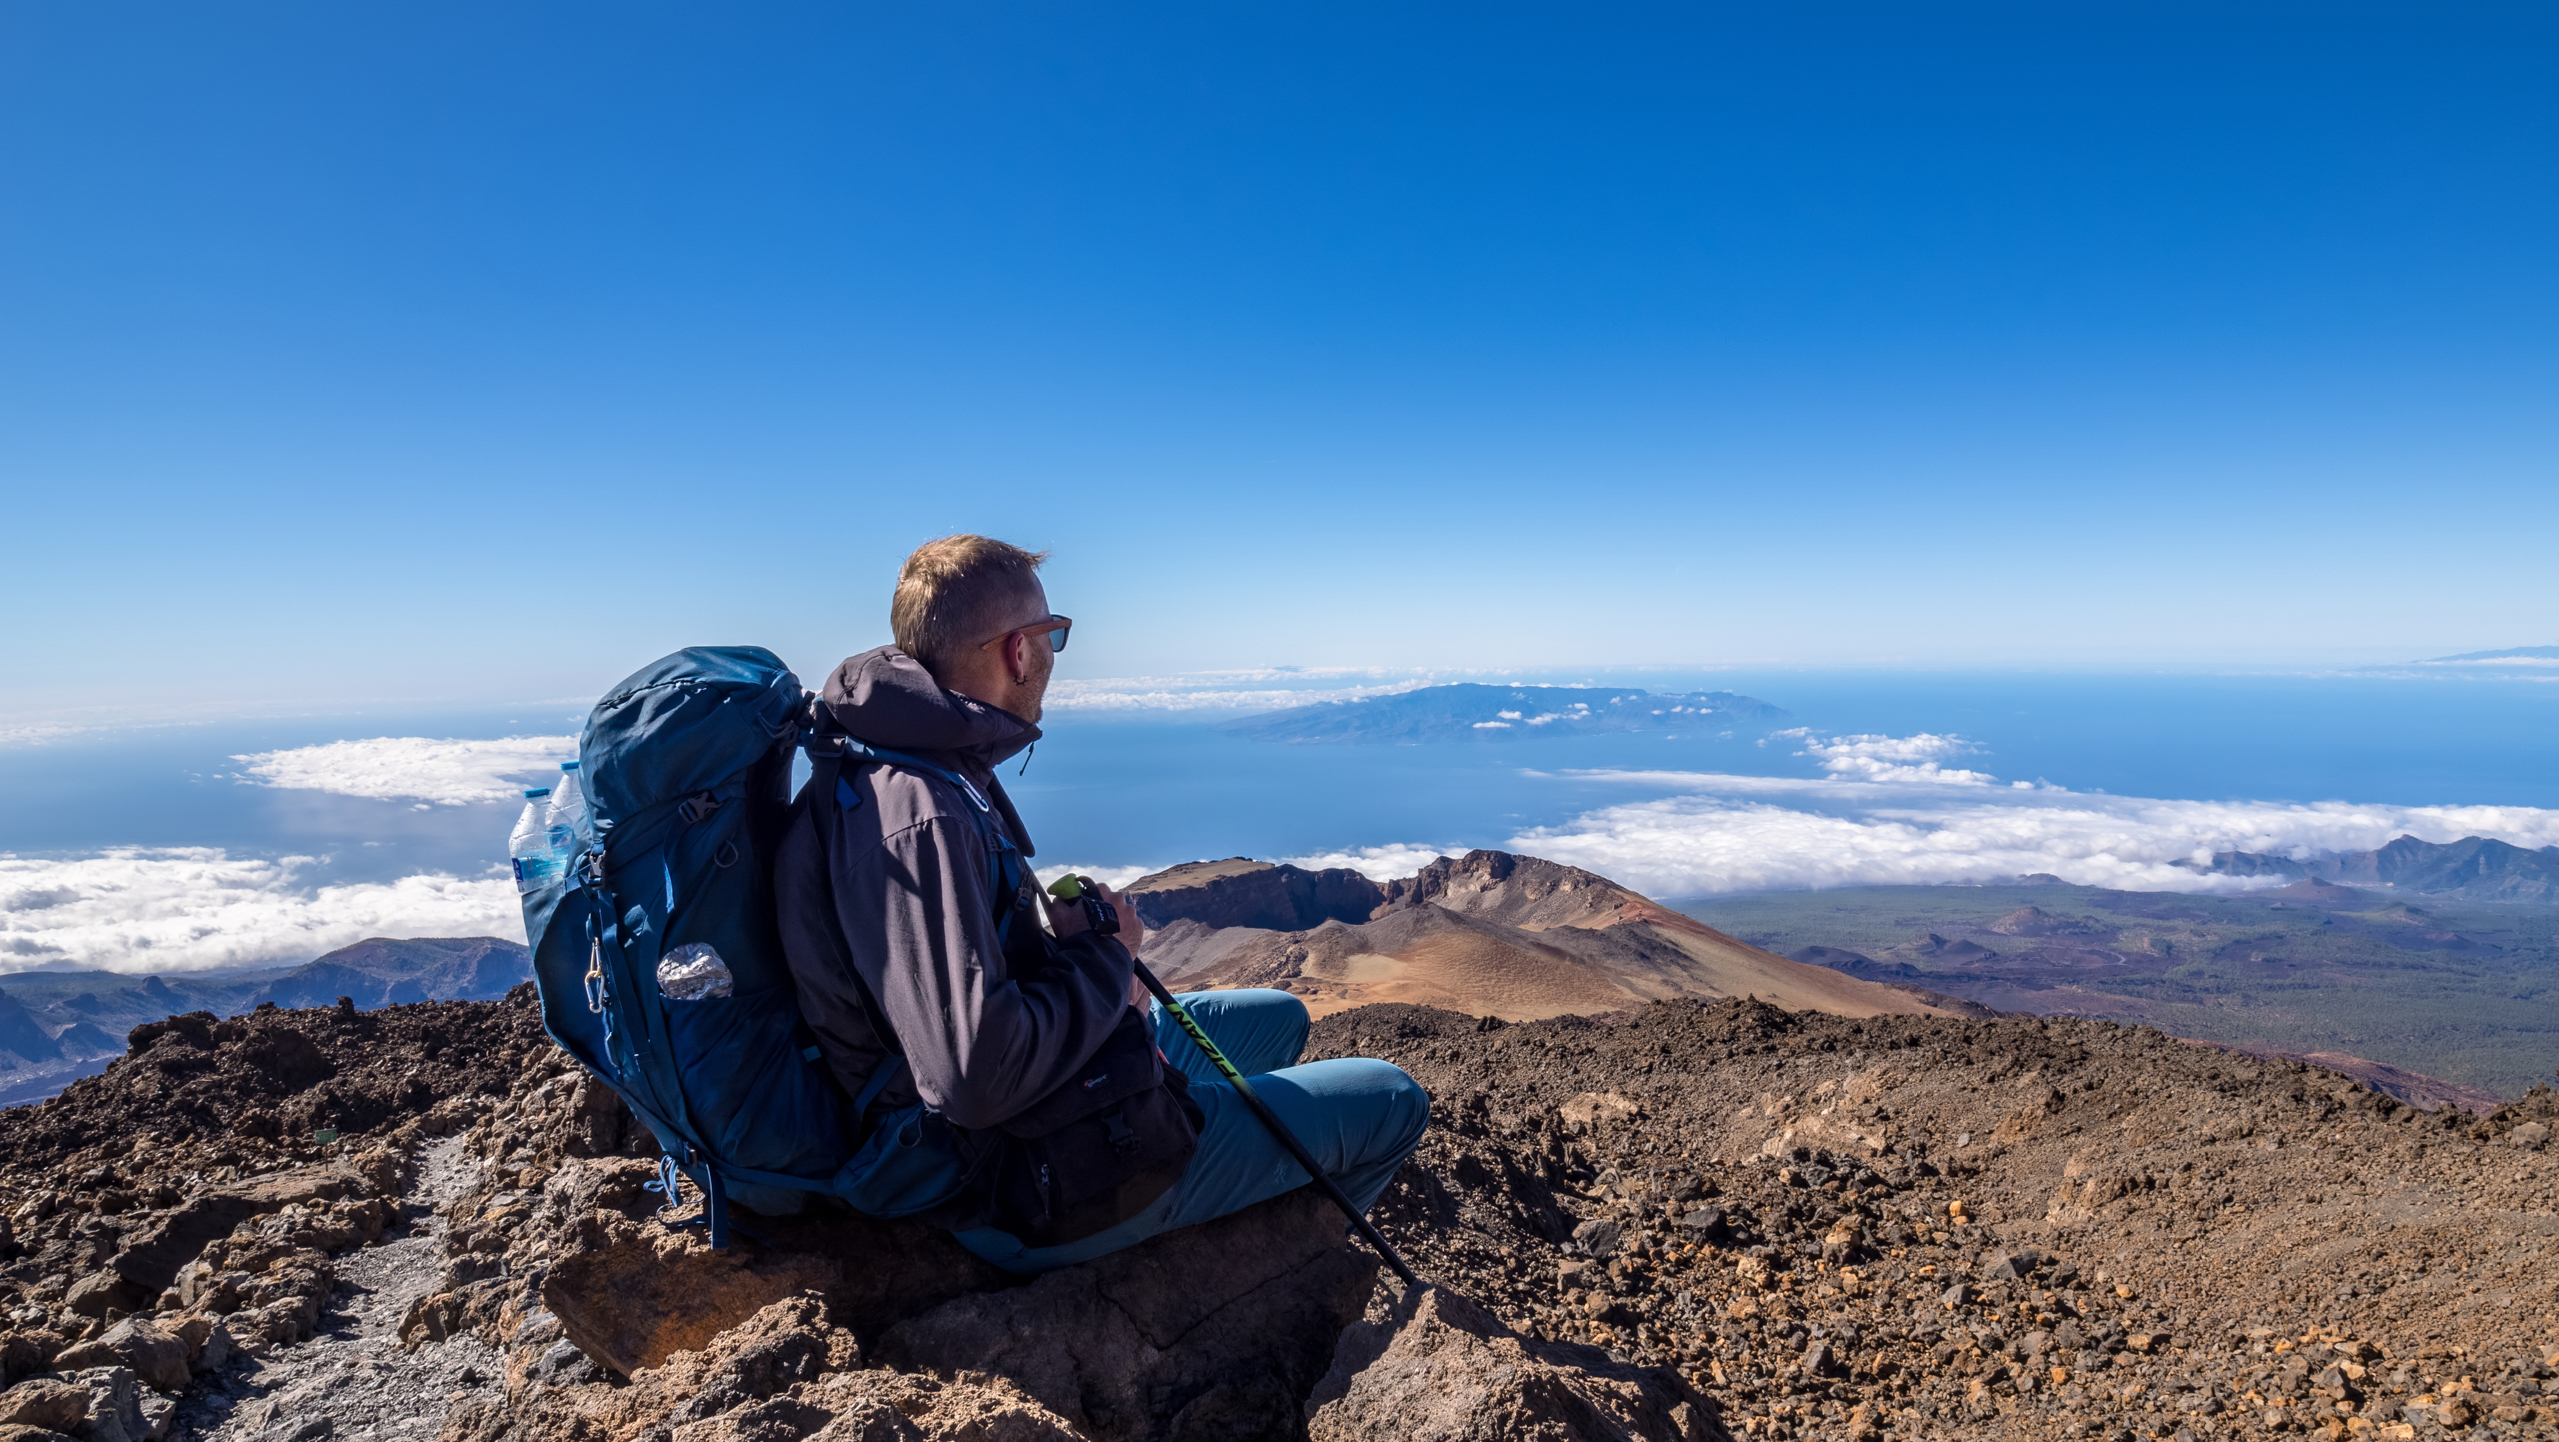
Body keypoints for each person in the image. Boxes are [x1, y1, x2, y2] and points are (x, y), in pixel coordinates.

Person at [773, 534, 1429, 1272]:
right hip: (999, 1180)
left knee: (1277, 1016)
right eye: (1052, 635)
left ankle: (1186, 1178)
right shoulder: (921, 814)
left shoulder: (897, 762)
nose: (1053, 654)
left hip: (1017, 1114)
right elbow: (970, 1077)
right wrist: (1102, 959)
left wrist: (1069, 955)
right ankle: (1272, 1282)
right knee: (1391, 1096)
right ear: (1019, 650)